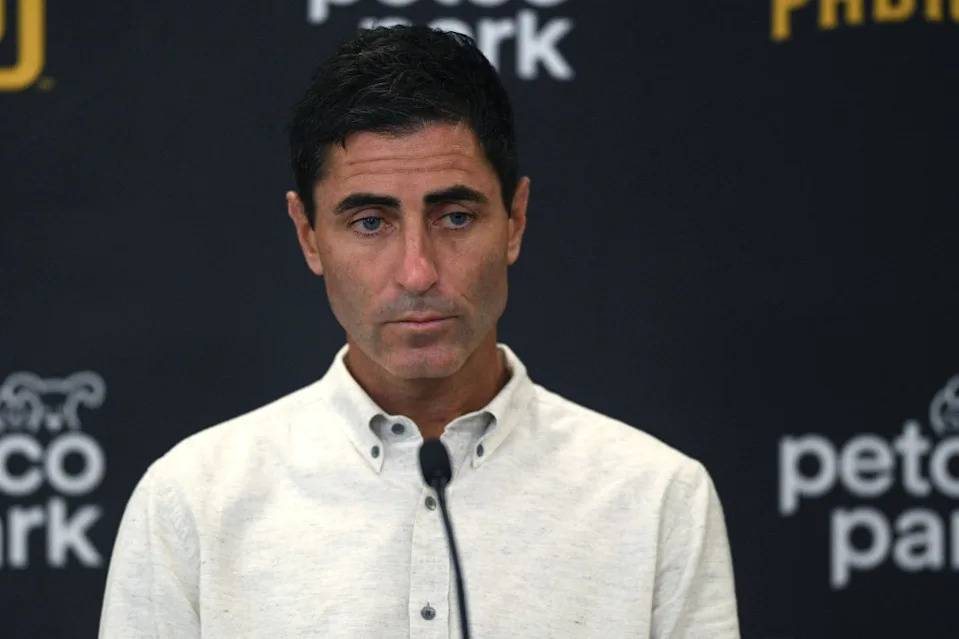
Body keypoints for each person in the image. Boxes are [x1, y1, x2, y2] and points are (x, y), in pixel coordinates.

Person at [98, 25, 740, 638]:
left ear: (515, 220)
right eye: (370, 223)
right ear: (308, 236)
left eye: (455, 216)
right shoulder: (191, 502)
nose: (417, 272)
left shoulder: (658, 499)